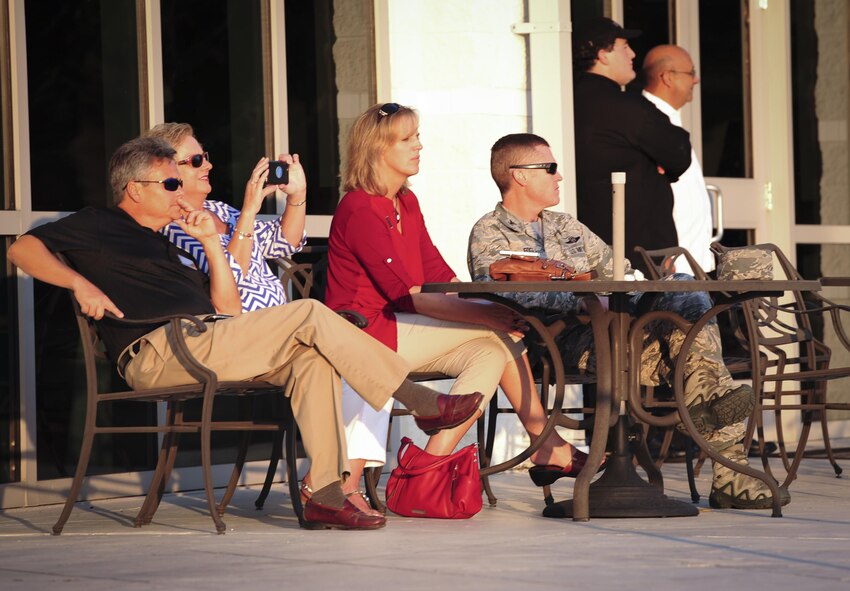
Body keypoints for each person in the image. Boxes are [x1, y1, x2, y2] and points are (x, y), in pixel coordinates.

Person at [7, 136, 485, 530]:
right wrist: (79, 283)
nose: (180, 192)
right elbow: (23, 249)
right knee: (310, 314)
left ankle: (325, 492)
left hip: (207, 338)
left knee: (311, 359)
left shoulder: (171, 241)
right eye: (171, 182)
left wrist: (212, 245)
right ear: (134, 189)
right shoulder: (100, 224)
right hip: (158, 350)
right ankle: (419, 401)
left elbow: (229, 308)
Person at [467, 132, 791, 510]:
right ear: (519, 175)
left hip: (615, 332)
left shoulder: (565, 226)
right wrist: (583, 295)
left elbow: (620, 272)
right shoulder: (489, 231)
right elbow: (502, 293)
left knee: (684, 298)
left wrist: (633, 288)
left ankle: (708, 415)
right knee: (695, 355)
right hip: (557, 344)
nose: (559, 177)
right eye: (550, 168)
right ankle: (727, 469)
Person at [322, 103, 589, 503]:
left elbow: (440, 276)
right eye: (407, 139)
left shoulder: (405, 203)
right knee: (496, 338)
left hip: (399, 330)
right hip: (364, 333)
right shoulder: (360, 207)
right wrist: (487, 314)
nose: (419, 146)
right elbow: (415, 296)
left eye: (417, 136)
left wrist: (489, 302)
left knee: (489, 350)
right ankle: (545, 445)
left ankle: (426, 469)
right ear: (379, 148)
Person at [144, 122, 307, 312]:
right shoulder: (175, 227)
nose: (208, 165)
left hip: (280, 322)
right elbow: (232, 281)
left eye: (205, 158)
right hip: (241, 329)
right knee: (313, 313)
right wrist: (248, 212)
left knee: (315, 318)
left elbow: (283, 241)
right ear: (169, 170)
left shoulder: (220, 210)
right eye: (196, 160)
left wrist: (298, 194)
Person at [572, 17, 692, 275]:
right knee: (665, 315)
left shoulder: (566, 102)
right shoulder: (626, 107)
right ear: (603, 55)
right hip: (639, 261)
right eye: (624, 46)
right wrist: (656, 161)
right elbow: (679, 152)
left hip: (584, 256)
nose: (632, 54)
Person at [642, 45, 714, 274]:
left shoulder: (670, 120)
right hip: (672, 264)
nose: (696, 80)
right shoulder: (647, 122)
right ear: (668, 77)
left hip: (691, 261)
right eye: (690, 73)